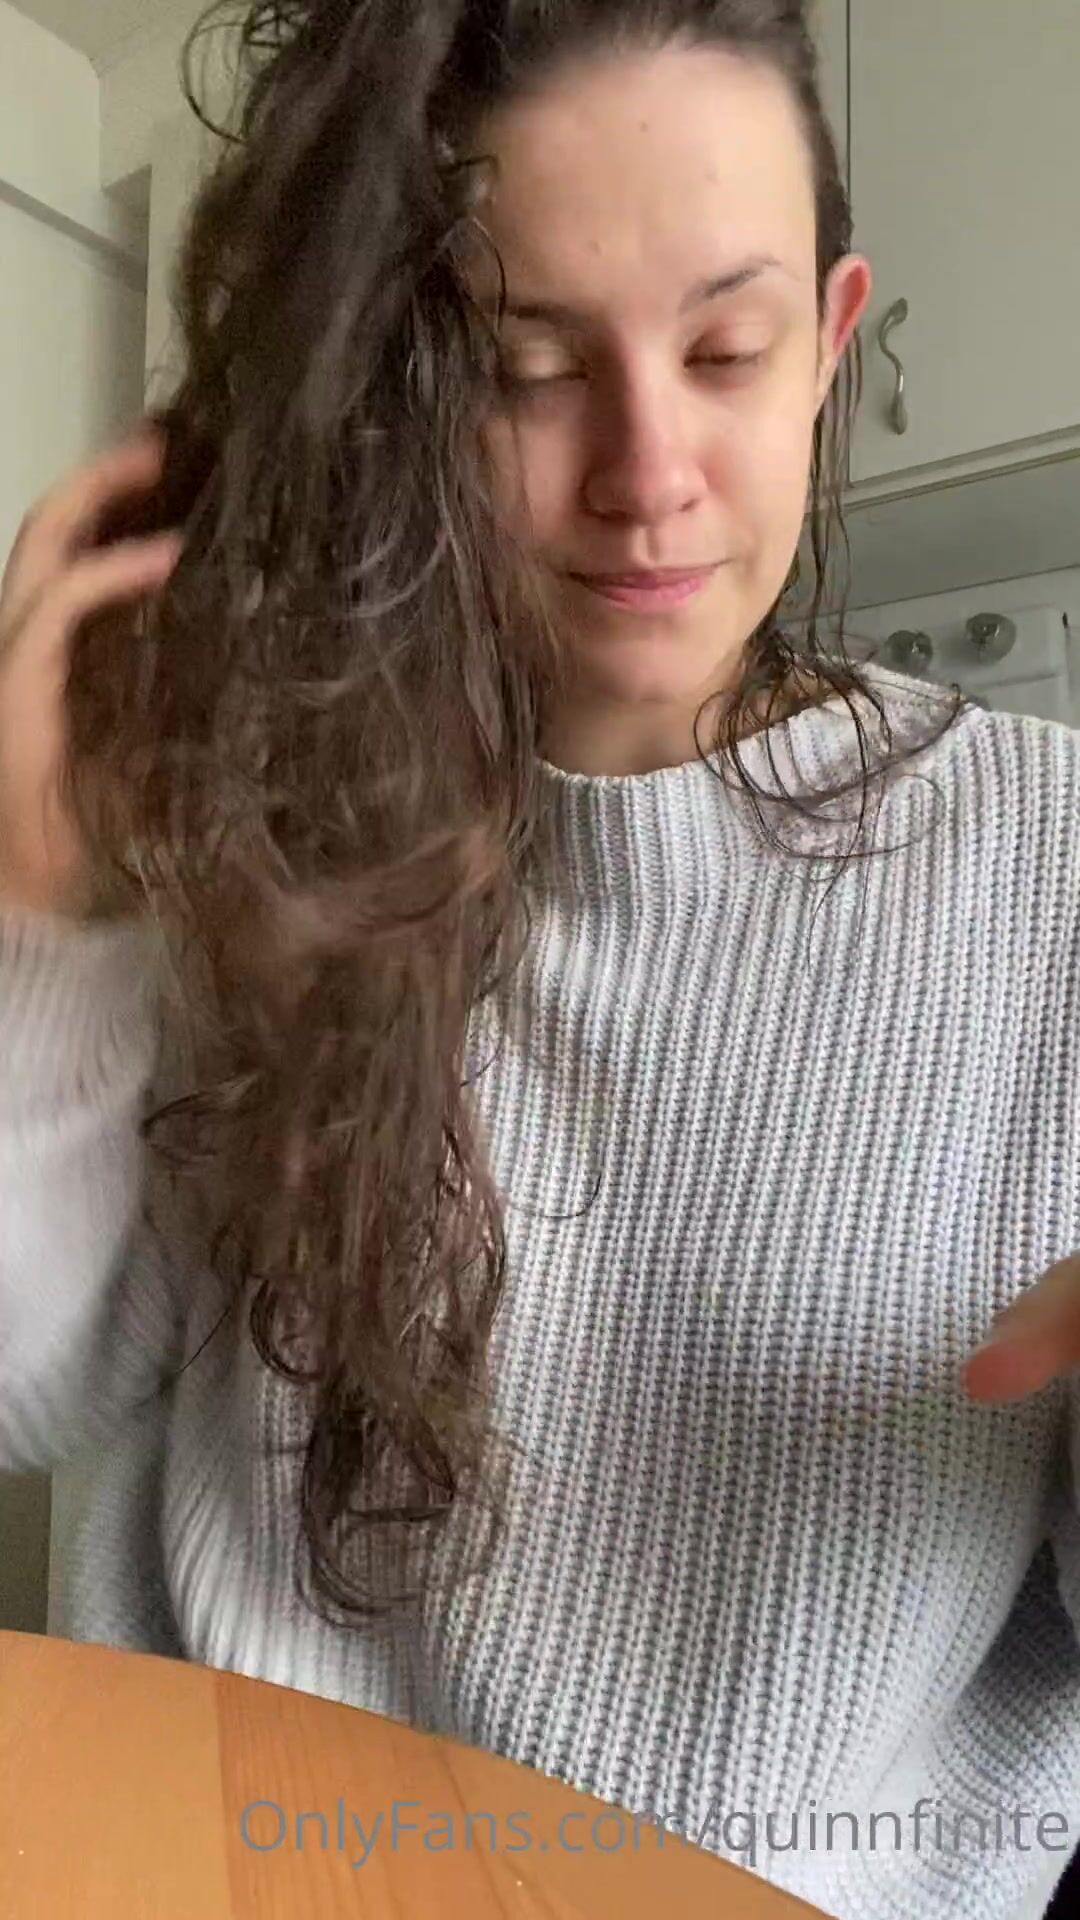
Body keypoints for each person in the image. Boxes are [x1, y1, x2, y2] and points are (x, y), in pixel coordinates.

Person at [2, 2, 1079, 1914]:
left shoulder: (1052, 867)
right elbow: (30, 1387)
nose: (647, 472)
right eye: (525, 369)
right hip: (209, 1864)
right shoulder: (276, 827)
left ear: (834, 343)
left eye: (727, 352)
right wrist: (42, 903)